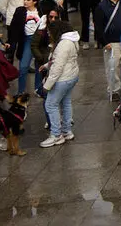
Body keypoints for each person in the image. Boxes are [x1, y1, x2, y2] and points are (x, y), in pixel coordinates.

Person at [41, 18, 80, 146]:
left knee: (50, 105)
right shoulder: (72, 40)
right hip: (72, 76)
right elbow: (64, 60)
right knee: (66, 103)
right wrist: (47, 65)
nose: (48, 34)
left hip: (62, 79)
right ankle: (67, 131)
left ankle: (56, 135)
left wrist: (47, 86)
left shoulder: (63, 44)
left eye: (49, 32)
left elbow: (58, 67)